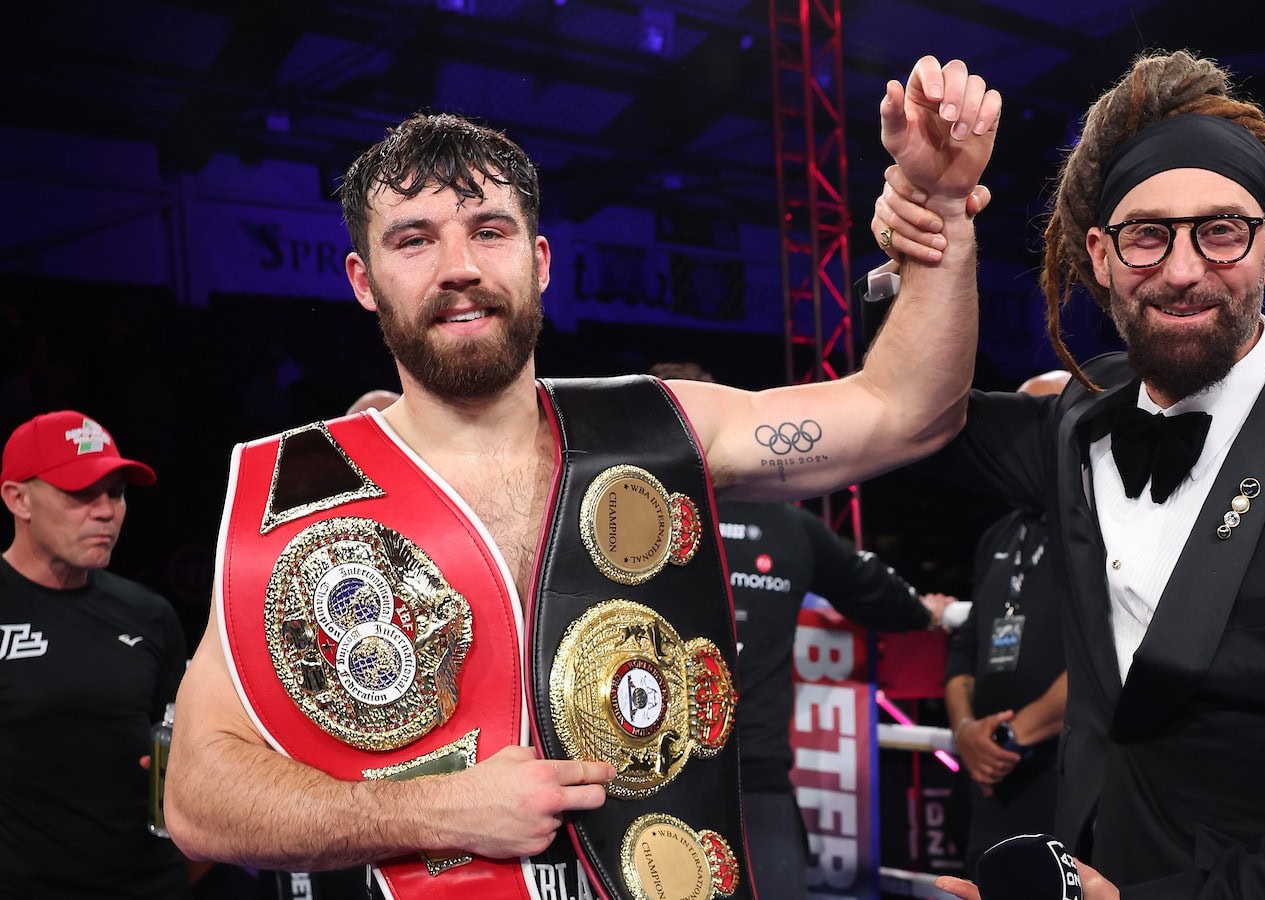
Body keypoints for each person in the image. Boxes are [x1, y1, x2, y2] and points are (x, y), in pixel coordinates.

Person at [165, 56, 999, 900]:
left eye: (488, 231)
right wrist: (433, 810)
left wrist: (940, 213)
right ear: (363, 282)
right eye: (414, 240)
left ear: (541, 261)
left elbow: (910, 410)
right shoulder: (295, 492)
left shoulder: (659, 429)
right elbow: (200, 802)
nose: (458, 266)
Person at [876, 50, 1265, 899]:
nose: (1184, 268)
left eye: (1222, 230)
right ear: (1100, 254)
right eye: (1148, 234)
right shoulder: (1075, 426)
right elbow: (910, 414)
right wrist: (931, 222)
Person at [649, 360, 953, 899]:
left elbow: (874, 591)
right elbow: (881, 595)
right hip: (692, 781)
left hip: (678, 777)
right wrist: (926, 611)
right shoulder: (787, 525)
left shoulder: (619, 516)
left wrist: (922, 610)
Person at [1, 410, 190, 898]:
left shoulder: (149, 615)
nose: (106, 511)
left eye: (116, 493)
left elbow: (184, 753)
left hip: (149, 887)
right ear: (17, 499)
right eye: (81, 494)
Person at [943, 372, 1070, 872]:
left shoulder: (1108, 526)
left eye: (1036, 423)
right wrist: (967, 730)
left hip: (1065, 775)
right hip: (993, 783)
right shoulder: (997, 534)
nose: (1016, 441)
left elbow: (1114, 652)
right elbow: (965, 646)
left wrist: (1012, 737)